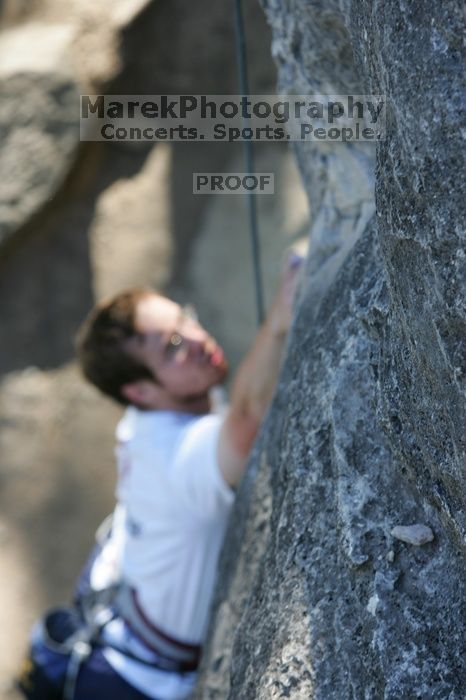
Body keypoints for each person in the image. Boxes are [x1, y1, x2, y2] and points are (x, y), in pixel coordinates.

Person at [20, 254, 301, 700]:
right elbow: (246, 420)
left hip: (121, 600)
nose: (195, 337)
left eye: (184, 318)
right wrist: (281, 319)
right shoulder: (173, 458)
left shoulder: (152, 413)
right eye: (172, 346)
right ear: (141, 391)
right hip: (137, 675)